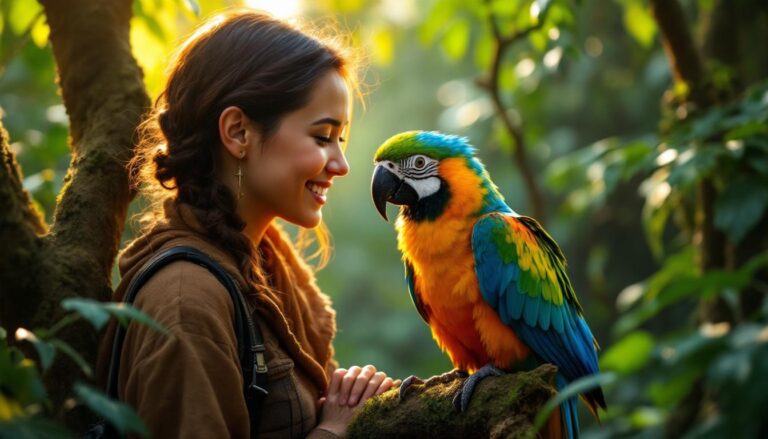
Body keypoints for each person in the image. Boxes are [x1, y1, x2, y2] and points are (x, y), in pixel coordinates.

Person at [95, 7, 397, 438]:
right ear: (238, 132)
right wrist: (334, 431)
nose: (342, 165)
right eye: (322, 137)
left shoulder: (265, 260)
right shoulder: (187, 304)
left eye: (340, 139)